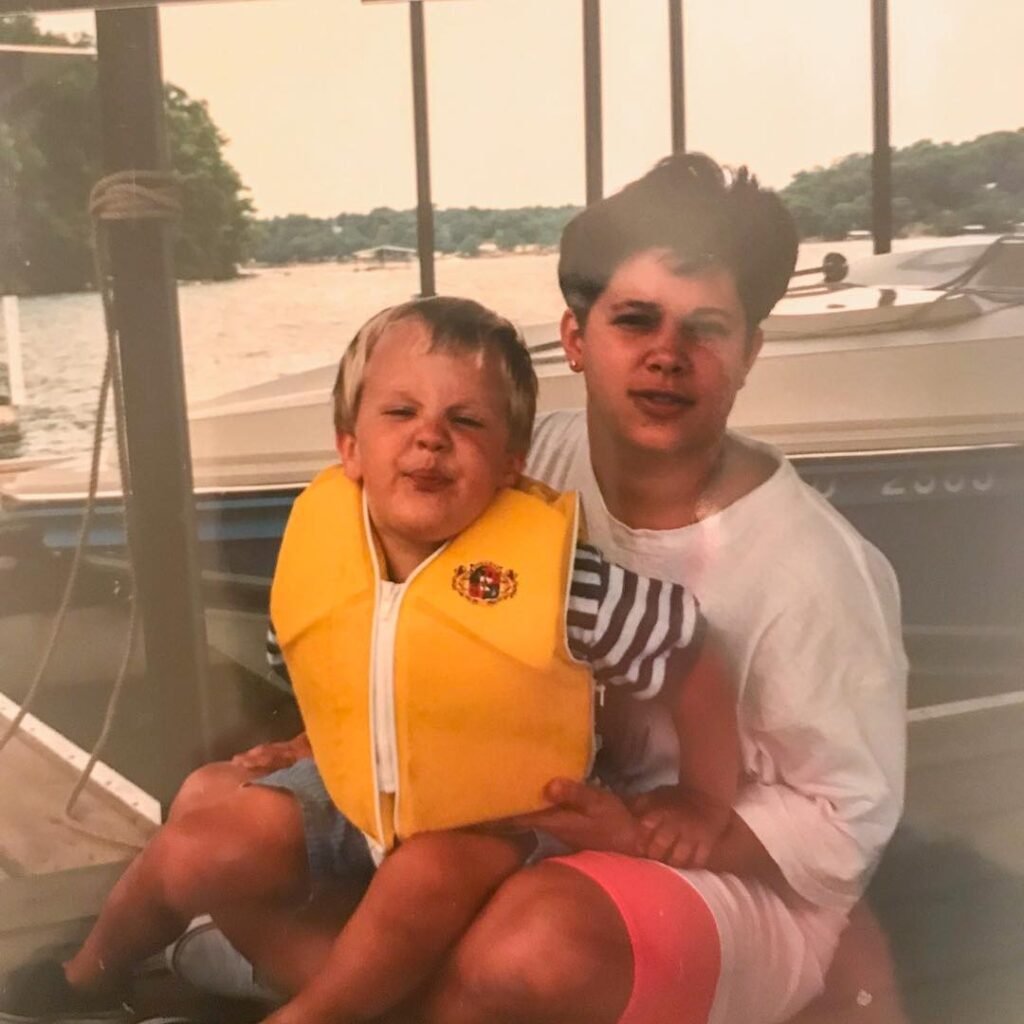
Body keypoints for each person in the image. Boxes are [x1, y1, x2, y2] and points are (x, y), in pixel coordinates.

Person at [221, 153, 907, 1024]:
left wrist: (657, 829)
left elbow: (847, 824)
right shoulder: (519, 459)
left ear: (750, 352)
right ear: (577, 339)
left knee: (528, 943)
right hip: (532, 806)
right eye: (635, 320)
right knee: (224, 814)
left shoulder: (813, 569)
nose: (668, 355)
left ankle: (316, 988)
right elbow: (406, 603)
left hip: (722, 867)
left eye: (706, 329)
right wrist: (335, 738)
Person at [0, 295, 742, 1024]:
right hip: (354, 795)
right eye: (400, 413)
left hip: (507, 818)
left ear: (512, 462)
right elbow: (317, 674)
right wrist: (304, 744)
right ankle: (89, 975)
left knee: (428, 870)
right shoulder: (324, 552)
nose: (429, 439)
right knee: (203, 838)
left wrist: (702, 800)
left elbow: (692, 651)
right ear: (348, 445)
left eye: (466, 420)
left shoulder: (563, 581)